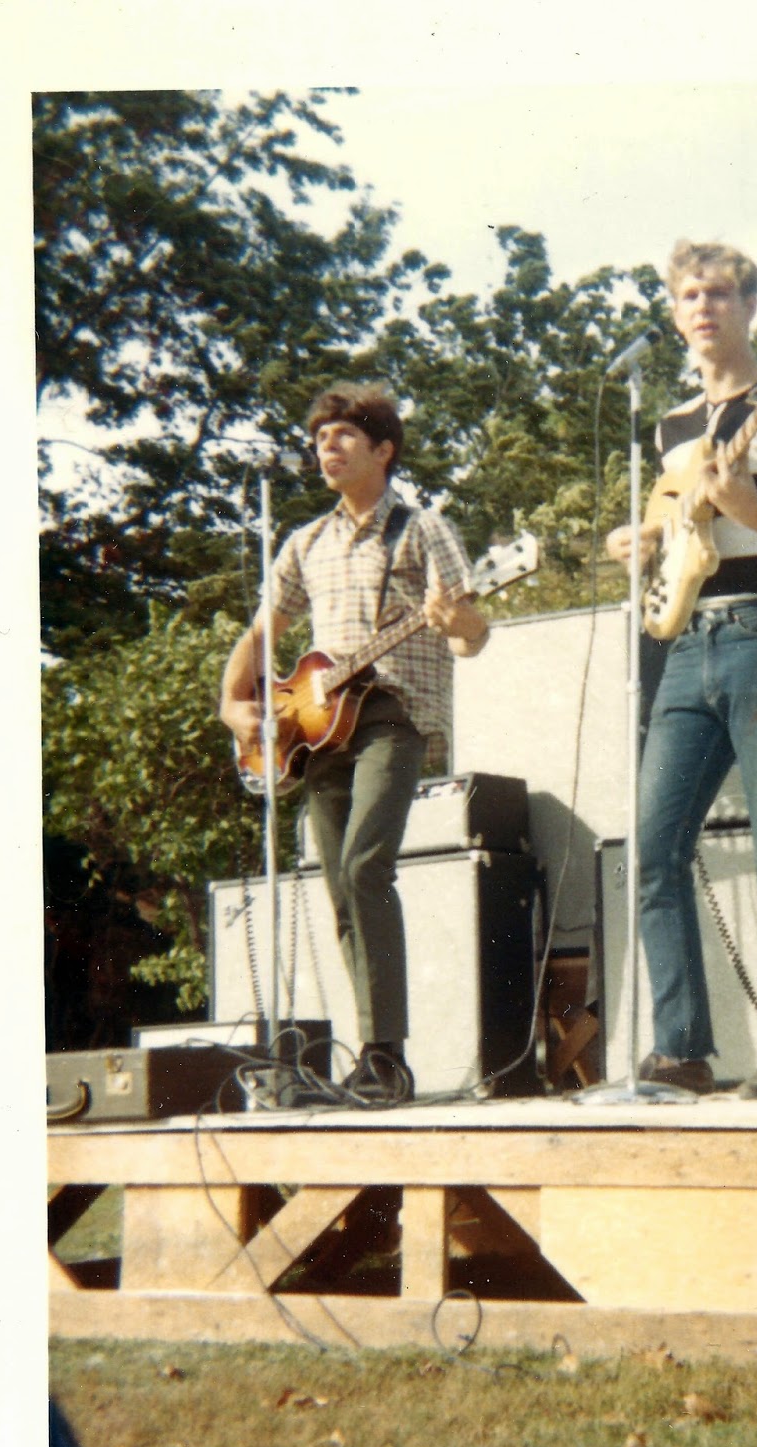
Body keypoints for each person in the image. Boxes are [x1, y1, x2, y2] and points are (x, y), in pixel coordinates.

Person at [606, 240, 757, 1099]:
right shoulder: (671, 426)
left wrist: (751, 507)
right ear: (675, 314)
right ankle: (682, 1050)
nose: (703, 307)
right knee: (653, 848)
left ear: (749, 306)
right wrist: (641, 541)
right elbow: (675, 524)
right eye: (689, 295)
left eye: (718, 293)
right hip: (685, 648)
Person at [219, 382, 490, 1102]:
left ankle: (386, 1057)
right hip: (317, 730)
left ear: (383, 450)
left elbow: (473, 633)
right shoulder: (305, 542)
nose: (326, 448)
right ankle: (372, 1055)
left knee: (366, 864)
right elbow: (262, 634)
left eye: (342, 436)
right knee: (340, 884)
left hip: (393, 715)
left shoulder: (423, 528)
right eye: (319, 439)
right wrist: (233, 704)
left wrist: (455, 620)